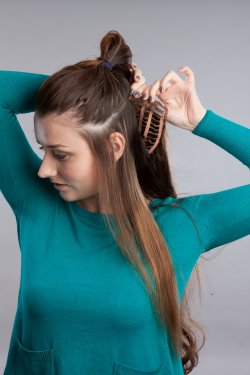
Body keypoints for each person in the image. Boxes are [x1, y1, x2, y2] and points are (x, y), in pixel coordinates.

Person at [0, 30, 249, 375]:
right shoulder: (38, 206)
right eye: (44, 150)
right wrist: (104, 91)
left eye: (61, 154)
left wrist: (201, 121)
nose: (44, 170)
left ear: (113, 146)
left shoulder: (181, 226)